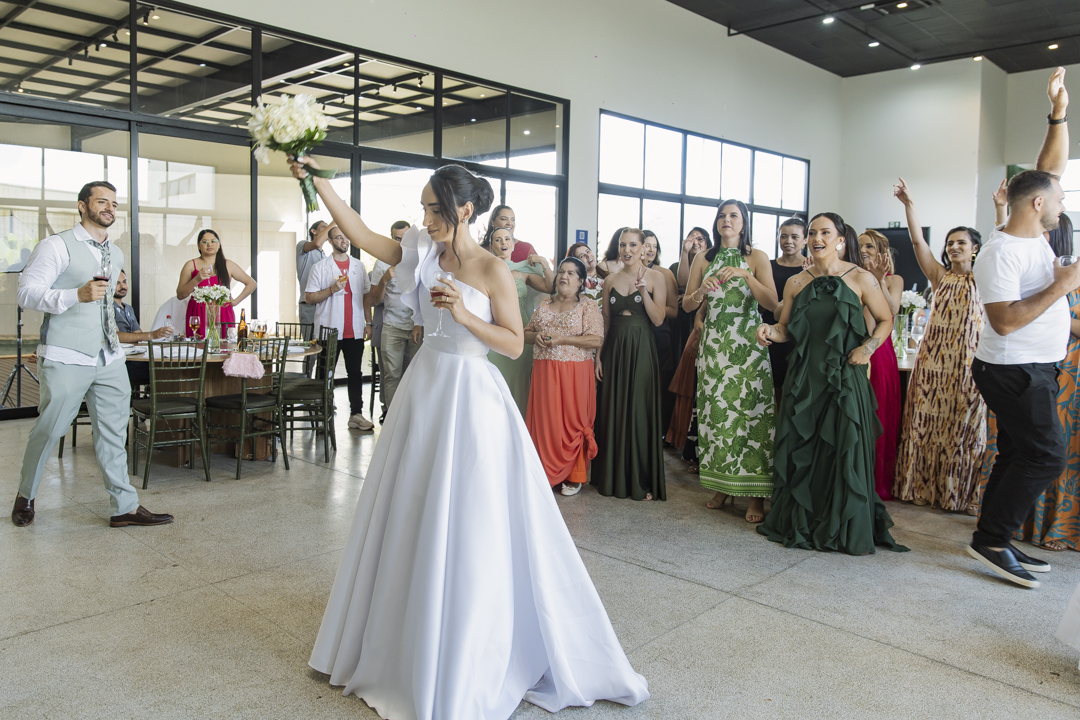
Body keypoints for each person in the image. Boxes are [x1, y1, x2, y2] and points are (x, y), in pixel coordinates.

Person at [290, 156, 648, 717]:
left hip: (470, 393)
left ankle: (464, 636)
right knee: (411, 506)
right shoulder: (421, 250)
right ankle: (404, 631)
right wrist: (319, 183)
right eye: (423, 209)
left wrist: (463, 314)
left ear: (463, 209)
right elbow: (360, 233)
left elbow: (513, 343)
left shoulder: (491, 269)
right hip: (424, 389)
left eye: (434, 210)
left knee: (469, 515)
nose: (425, 219)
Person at [965, 66, 1078, 589]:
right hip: (1014, 370)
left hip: (1035, 368)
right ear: (1037, 206)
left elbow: (1047, 170)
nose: (1062, 205)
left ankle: (993, 536)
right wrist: (1062, 286)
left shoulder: (1035, 235)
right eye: (1058, 200)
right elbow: (1005, 321)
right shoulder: (1000, 252)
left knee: (1017, 453)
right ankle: (992, 539)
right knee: (1046, 454)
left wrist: (1058, 112)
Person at [12, 181, 172, 529]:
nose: (109, 208)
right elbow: (26, 293)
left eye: (114, 204)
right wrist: (75, 295)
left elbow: (106, 308)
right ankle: (26, 494)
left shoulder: (116, 253)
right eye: (102, 202)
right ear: (82, 206)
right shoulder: (56, 246)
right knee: (50, 428)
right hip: (66, 354)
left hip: (109, 357)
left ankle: (124, 507)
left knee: (114, 433)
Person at [755, 212, 907, 555]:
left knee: (842, 447)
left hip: (845, 375)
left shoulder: (862, 278)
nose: (816, 238)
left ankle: (842, 525)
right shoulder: (796, 282)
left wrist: (867, 348)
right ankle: (805, 521)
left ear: (840, 239)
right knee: (804, 448)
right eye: (812, 233)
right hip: (805, 377)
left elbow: (885, 319)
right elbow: (784, 328)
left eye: (825, 232)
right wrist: (767, 331)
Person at [891, 179, 987, 511]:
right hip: (933, 363)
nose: (954, 247)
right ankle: (919, 487)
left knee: (964, 426)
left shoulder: (985, 278)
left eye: (961, 242)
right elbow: (918, 241)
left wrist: (1001, 207)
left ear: (975, 248)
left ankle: (959, 494)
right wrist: (909, 204)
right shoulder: (939, 276)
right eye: (950, 243)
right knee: (925, 422)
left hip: (968, 364)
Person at [683, 200, 778, 524]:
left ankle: (756, 497)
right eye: (722, 215)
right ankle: (722, 487)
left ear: (743, 222)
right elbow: (686, 305)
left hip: (748, 349)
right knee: (718, 420)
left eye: (733, 215)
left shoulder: (757, 257)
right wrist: (700, 292)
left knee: (752, 418)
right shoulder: (703, 258)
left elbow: (773, 304)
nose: (727, 220)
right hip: (715, 349)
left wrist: (746, 275)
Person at [592, 228, 668, 501]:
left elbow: (658, 319)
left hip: (642, 347)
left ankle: (641, 479)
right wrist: (599, 356)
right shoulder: (610, 280)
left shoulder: (657, 278)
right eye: (623, 245)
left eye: (633, 245)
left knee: (638, 411)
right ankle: (612, 478)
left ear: (644, 248)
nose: (627, 250)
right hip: (615, 348)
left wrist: (644, 292)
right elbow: (606, 320)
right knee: (612, 409)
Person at [524, 256, 604, 496]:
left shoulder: (587, 306)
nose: (564, 276)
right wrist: (535, 337)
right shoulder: (544, 304)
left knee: (572, 421)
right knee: (546, 421)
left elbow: (596, 339)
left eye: (571, 273)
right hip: (544, 371)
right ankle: (543, 472)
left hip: (574, 372)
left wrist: (563, 339)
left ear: (581, 281)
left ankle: (573, 475)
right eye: (561, 272)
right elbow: (526, 333)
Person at [305, 224, 374, 431]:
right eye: (338, 237)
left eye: (346, 237)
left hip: (354, 330)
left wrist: (368, 323)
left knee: (355, 374)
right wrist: (331, 289)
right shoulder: (320, 268)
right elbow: (309, 298)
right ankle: (321, 413)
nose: (344, 241)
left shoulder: (358, 266)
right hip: (329, 331)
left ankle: (356, 415)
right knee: (325, 374)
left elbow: (366, 296)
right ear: (330, 241)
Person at [482, 225, 554, 417]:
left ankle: (519, 426)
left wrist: (544, 263)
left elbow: (551, 288)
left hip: (521, 335)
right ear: (491, 246)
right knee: (495, 384)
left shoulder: (523, 271)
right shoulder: (485, 269)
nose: (503, 243)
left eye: (507, 239)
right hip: (495, 334)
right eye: (498, 240)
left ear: (513, 244)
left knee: (520, 384)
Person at [858, 229, 903, 501]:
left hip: (880, 351)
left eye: (870, 247)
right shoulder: (852, 275)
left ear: (881, 252)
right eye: (860, 246)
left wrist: (879, 281)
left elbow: (892, 310)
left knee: (879, 413)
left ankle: (876, 481)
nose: (864, 251)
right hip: (855, 348)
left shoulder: (894, 280)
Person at [369, 220, 422, 420]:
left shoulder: (421, 259)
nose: (401, 243)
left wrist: (419, 323)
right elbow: (374, 300)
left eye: (405, 238)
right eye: (396, 238)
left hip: (417, 326)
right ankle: (393, 420)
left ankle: (412, 419)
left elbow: (425, 296)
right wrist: (384, 280)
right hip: (391, 326)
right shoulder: (382, 263)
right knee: (391, 376)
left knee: (415, 376)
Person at [175, 229, 255, 338]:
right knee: (198, 346)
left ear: (219, 244)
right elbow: (180, 295)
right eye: (205, 242)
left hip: (223, 312)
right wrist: (197, 279)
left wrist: (235, 302)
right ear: (199, 246)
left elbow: (251, 284)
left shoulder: (228, 265)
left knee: (225, 345)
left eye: (213, 241)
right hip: (198, 314)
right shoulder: (190, 265)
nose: (209, 244)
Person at [760, 218, 807, 401]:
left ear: (805, 240)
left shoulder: (811, 268)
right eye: (784, 236)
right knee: (770, 384)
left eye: (795, 237)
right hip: (770, 330)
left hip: (798, 332)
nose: (789, 241)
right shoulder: (768, 266)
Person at [643, 231, 679, 432]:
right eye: (647, 245)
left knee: (657, 386)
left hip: (658, 335)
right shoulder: (624, 273)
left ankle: (657, 430)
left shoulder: (664, 274)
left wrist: (651, 308)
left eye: (654, 246)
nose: (651, 250)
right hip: (632, 334)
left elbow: (673, 310)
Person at [112, 269, 171, 388]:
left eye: (124, 282)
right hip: (122, 362)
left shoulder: (128, 308)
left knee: (169, 365)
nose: (122, 286)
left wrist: (159, 338)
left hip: (135, 357)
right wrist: (151, 335)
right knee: (167, 370)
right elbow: (115, 336)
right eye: (117, 283)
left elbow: (138, 335)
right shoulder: (107, 308)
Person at [298, 220, 331, 376]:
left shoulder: (325, 257)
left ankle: (319, 385)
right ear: (313, 231)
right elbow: (317, 242)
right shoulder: (303, 247)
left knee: (323, 348)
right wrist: (335, 222)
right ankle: (306, 381)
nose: (327, 229)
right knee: (310, 349)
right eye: (324, 227)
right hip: (309, 307)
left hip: (324, 307)